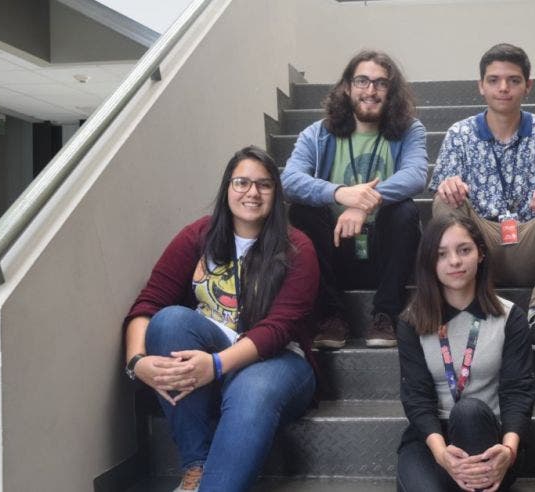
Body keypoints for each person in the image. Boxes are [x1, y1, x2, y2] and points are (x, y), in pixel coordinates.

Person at [122, 146, 319, 491]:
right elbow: (147, 305)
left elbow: (278, 329)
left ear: (277, 193)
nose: (252, 193)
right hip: (207, 362)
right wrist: (136, 363)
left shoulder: (296, 247)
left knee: (252, 388)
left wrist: (214, 366)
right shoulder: (198, 236)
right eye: (241, 182)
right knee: (169, 322)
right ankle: (196, 466)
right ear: (227, 187)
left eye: (264, 184)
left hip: (279, 362)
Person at [430, 43, 535, 351]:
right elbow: (443, 192)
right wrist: (448, 187)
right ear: (480, 86)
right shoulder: (460, 134)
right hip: (481, 244)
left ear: (527, 86)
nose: (503, 88)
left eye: (513, 80)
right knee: (444, 200)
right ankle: (468, 306)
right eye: (494, 80)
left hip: (533, 241)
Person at [281, 49, 427, 349]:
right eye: (362, 81)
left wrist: (364, 203)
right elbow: (289, 181)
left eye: (381, 83)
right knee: (302, 213)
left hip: (385, 250)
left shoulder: (409, 130)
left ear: (391, 91)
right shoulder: (318, 134)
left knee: (405, 211)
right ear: (347, 87)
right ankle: (332, 315)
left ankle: (385, 314)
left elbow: (416, 176)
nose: (370, 90)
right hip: (335, 248)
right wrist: (339, 193)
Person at [396, 213, 535, 492]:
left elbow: (518, 391)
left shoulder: (510, 317)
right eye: (442, 254)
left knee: (468, 411)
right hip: (432, 440)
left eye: (464, 250)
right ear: (430, 263)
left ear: (481, 254)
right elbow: (417, 397)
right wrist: (441, 455)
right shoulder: (411, 321)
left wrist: (508, 451)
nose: (455, 261)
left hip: (490, 438)